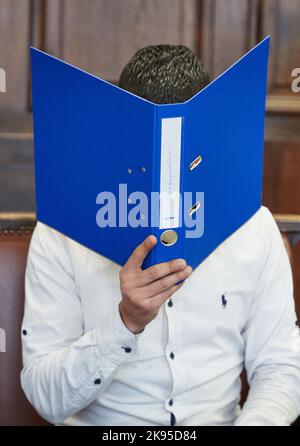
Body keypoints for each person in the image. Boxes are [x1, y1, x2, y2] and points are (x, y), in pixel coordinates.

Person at [21, 45, 300, 426]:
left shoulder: (253, 227)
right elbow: (45, 396)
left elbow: (282, 367)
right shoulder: (60, 232)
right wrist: (124, 323)